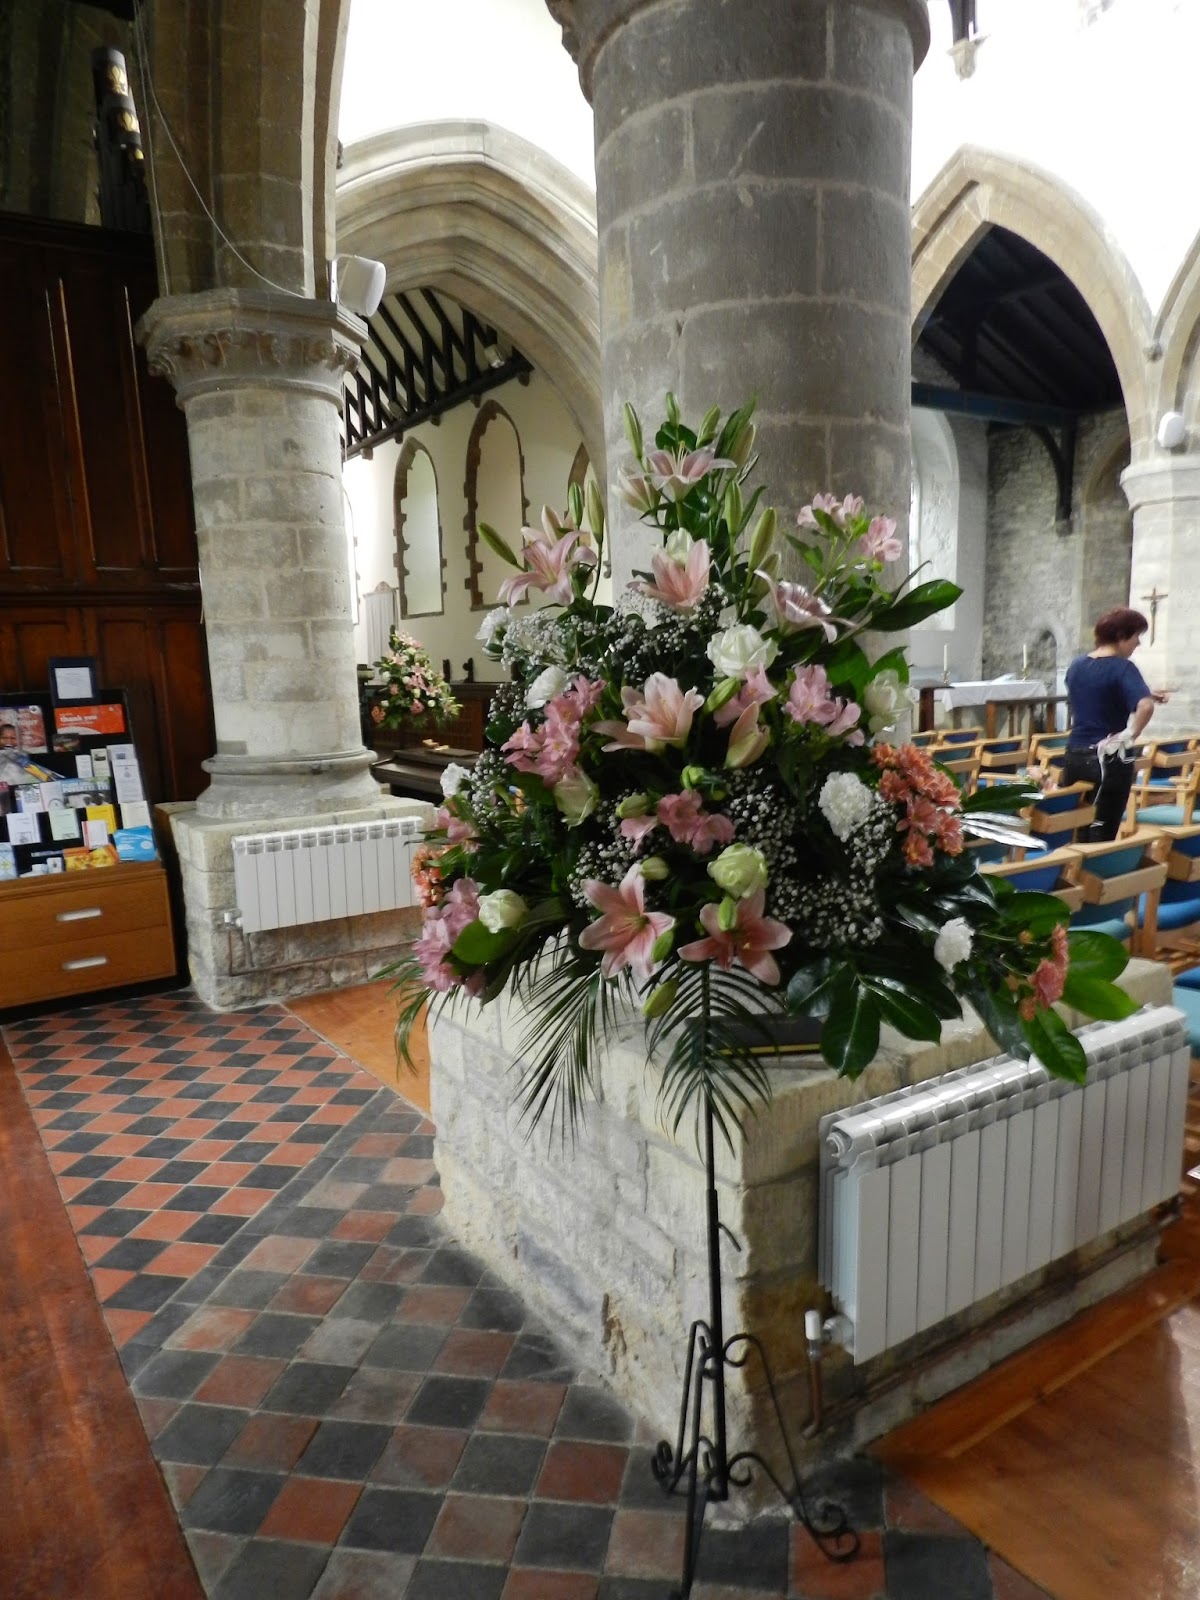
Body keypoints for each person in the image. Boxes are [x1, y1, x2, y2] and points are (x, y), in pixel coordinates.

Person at [1062, 607, 1167, 841]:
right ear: (1121, 636)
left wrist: (1145, 693)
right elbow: (1145, 707)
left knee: (1075, 826)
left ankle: (1071, 874)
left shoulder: (1077, 665)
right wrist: (1130, 734)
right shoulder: (1123, 668)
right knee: (1102, 829)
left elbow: (1096, 695)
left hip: (1076, 754)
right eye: (1136, 636)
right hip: (1109, 758)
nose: (1138, 643)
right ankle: (1094, 874)